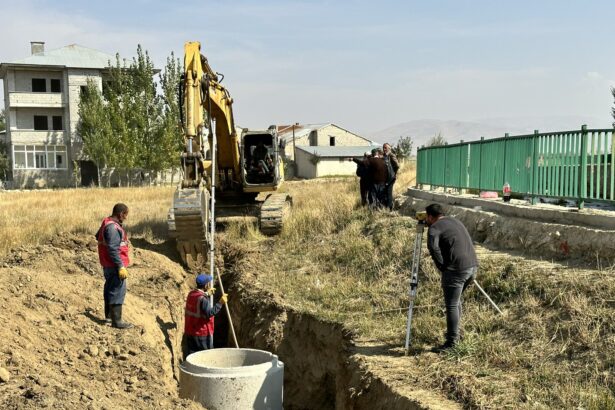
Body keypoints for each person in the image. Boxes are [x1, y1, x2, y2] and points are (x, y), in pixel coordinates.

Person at [425, 203, 478, 352]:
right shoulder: (455, 221)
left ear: (430, 217)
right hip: (472, 267)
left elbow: (432, 247)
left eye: (426, 218)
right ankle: (456, 335)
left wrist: (442, 266)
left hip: (456, 270)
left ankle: (452, 343)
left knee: (452, 305)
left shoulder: (434, 227)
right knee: (456, 301)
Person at [96, 203, 133, 329]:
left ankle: (109, 317)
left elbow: (98, 237)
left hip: (107, 263)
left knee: (110, 288)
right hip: (114, 265)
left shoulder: (106, 223)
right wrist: (120, 266)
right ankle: (117, 321)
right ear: (121, 213)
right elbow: (113, 249)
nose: (126, 218)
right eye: (125, 215)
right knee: (118, 290)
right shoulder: (112, 228)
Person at [184, 273, 228, 357]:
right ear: (206, 284)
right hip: (201, 334)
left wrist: (207, 294)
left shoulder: (191, 294)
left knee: (192, 356)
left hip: (190, 331)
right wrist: (220, 303)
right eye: (209, 283)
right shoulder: (203, 299)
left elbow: (198, 301)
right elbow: (210, 313)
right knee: (205, 356)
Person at [383, 143, 400, 210]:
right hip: (385, 178)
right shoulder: (384, 155)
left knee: (389, 193)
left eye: (385, 148)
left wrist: (393, 172)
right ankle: (386, 206)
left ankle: (390, 208)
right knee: (385, 193)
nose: (384, 149)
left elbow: (397, 165)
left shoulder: (391, 155)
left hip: (391, 178)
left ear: (389, 148)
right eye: (383, 147)